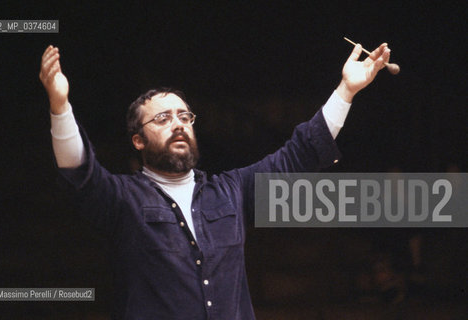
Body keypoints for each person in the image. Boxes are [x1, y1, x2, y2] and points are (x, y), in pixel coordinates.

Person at [39, 42, 391, 319]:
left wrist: (346, 90)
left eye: (184, 116)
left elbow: (298, 155)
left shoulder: (231, 192)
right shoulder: (122, 199)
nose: (177, 123)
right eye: (162, 118)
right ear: (138, 140)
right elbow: (79, 173)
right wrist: (60, 105)